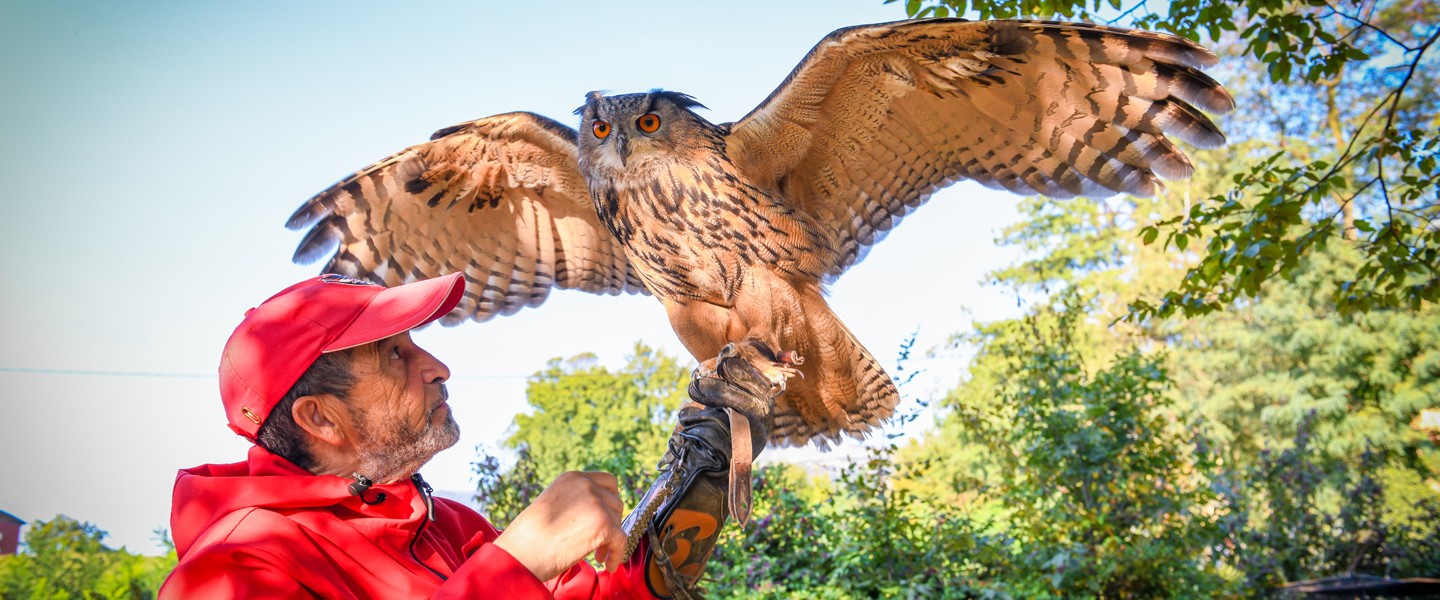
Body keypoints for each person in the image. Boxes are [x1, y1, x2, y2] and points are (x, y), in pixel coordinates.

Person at [160, 273, 775, 599]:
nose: (436, 366)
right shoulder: (234, 572)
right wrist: (518, 563)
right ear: (321, 419)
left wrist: (698, 481)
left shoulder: (448, 528)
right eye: (394, 356)